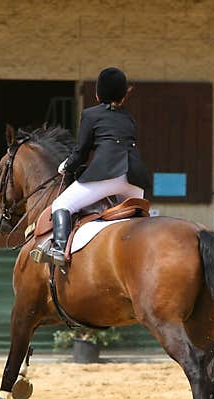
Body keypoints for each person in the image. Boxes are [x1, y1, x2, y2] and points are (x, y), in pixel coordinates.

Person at [44, 67, 149, 265]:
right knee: (136, 223)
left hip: (109, 174)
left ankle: (58, 250)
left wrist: (66, 166)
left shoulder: (90, 114)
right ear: (124, 96)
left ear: (97, 93)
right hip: (135, 179)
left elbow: (82, 152)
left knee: (61, 205)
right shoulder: (129, 118)